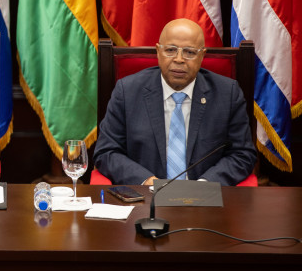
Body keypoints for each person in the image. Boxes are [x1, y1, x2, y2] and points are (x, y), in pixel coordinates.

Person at [93, 18, 256, 186]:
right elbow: (106, 152)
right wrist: (146, 181)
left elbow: (242, 154)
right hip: (145, 196)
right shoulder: (128, 91)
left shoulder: (227, 94)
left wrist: (205, 184)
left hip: (204, 196)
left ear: (202, 55)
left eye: (189, 52)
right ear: (158, 51)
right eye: (170, 50)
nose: (179, 59)